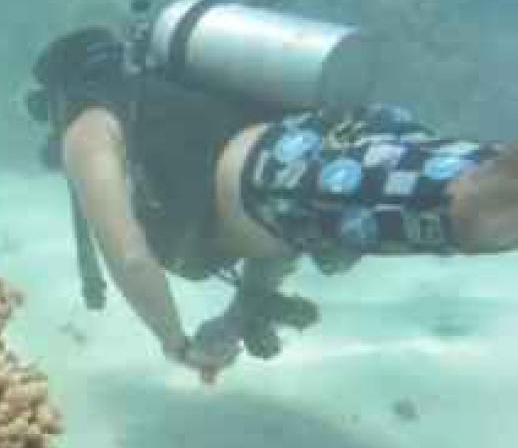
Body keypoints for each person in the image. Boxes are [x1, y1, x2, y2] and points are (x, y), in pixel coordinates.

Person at [27, 21, 518, 385]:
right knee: (486, 198)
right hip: (317, 157)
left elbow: (129, 256)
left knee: (478, 204)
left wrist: (176, 344)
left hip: (294, 175)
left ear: (59, 92)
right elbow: (268, 234)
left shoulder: (88, 123)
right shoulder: (174, 90)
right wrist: (241, 313)